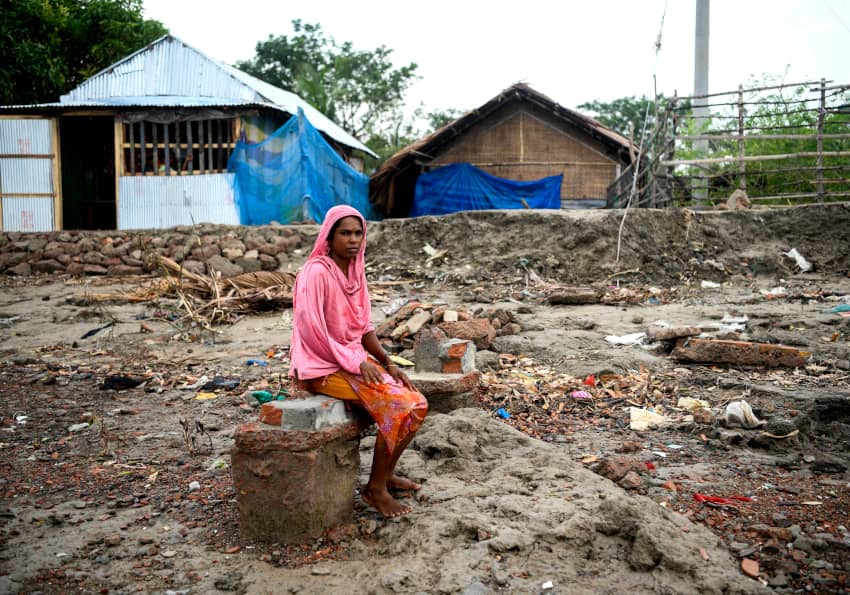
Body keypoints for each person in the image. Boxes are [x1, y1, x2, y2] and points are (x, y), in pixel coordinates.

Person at [289, 205, 428, 518]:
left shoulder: (355, 271)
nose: (352, 239)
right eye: (345, 233)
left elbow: (363, 328)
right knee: (397, 406)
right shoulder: (315, 274)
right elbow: (313, 332)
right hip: (320, 366)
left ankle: (386, 474)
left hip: (351, 360)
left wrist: (386, 361)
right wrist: (355, 361)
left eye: (357, 233)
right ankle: (374, 491)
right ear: (329, 236)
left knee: (417, 404)